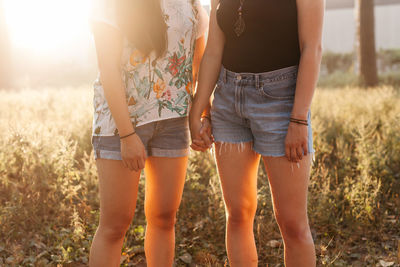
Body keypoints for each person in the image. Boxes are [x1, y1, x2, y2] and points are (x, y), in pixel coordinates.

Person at [189, 0, 324, 266]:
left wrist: (298, 119)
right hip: (228, 99)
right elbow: (214, 51)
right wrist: (198, 111)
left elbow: (312, 48)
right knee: (237, 214)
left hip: (282, 101)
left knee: (293, 224)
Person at [89, 0, 208, 266]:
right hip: (121, 121)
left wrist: (202, 111)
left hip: (172, 118)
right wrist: (127, 135)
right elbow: (108, 69)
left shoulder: (191, 2)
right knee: (115, 224)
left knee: (165, 218)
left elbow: (197, 60)